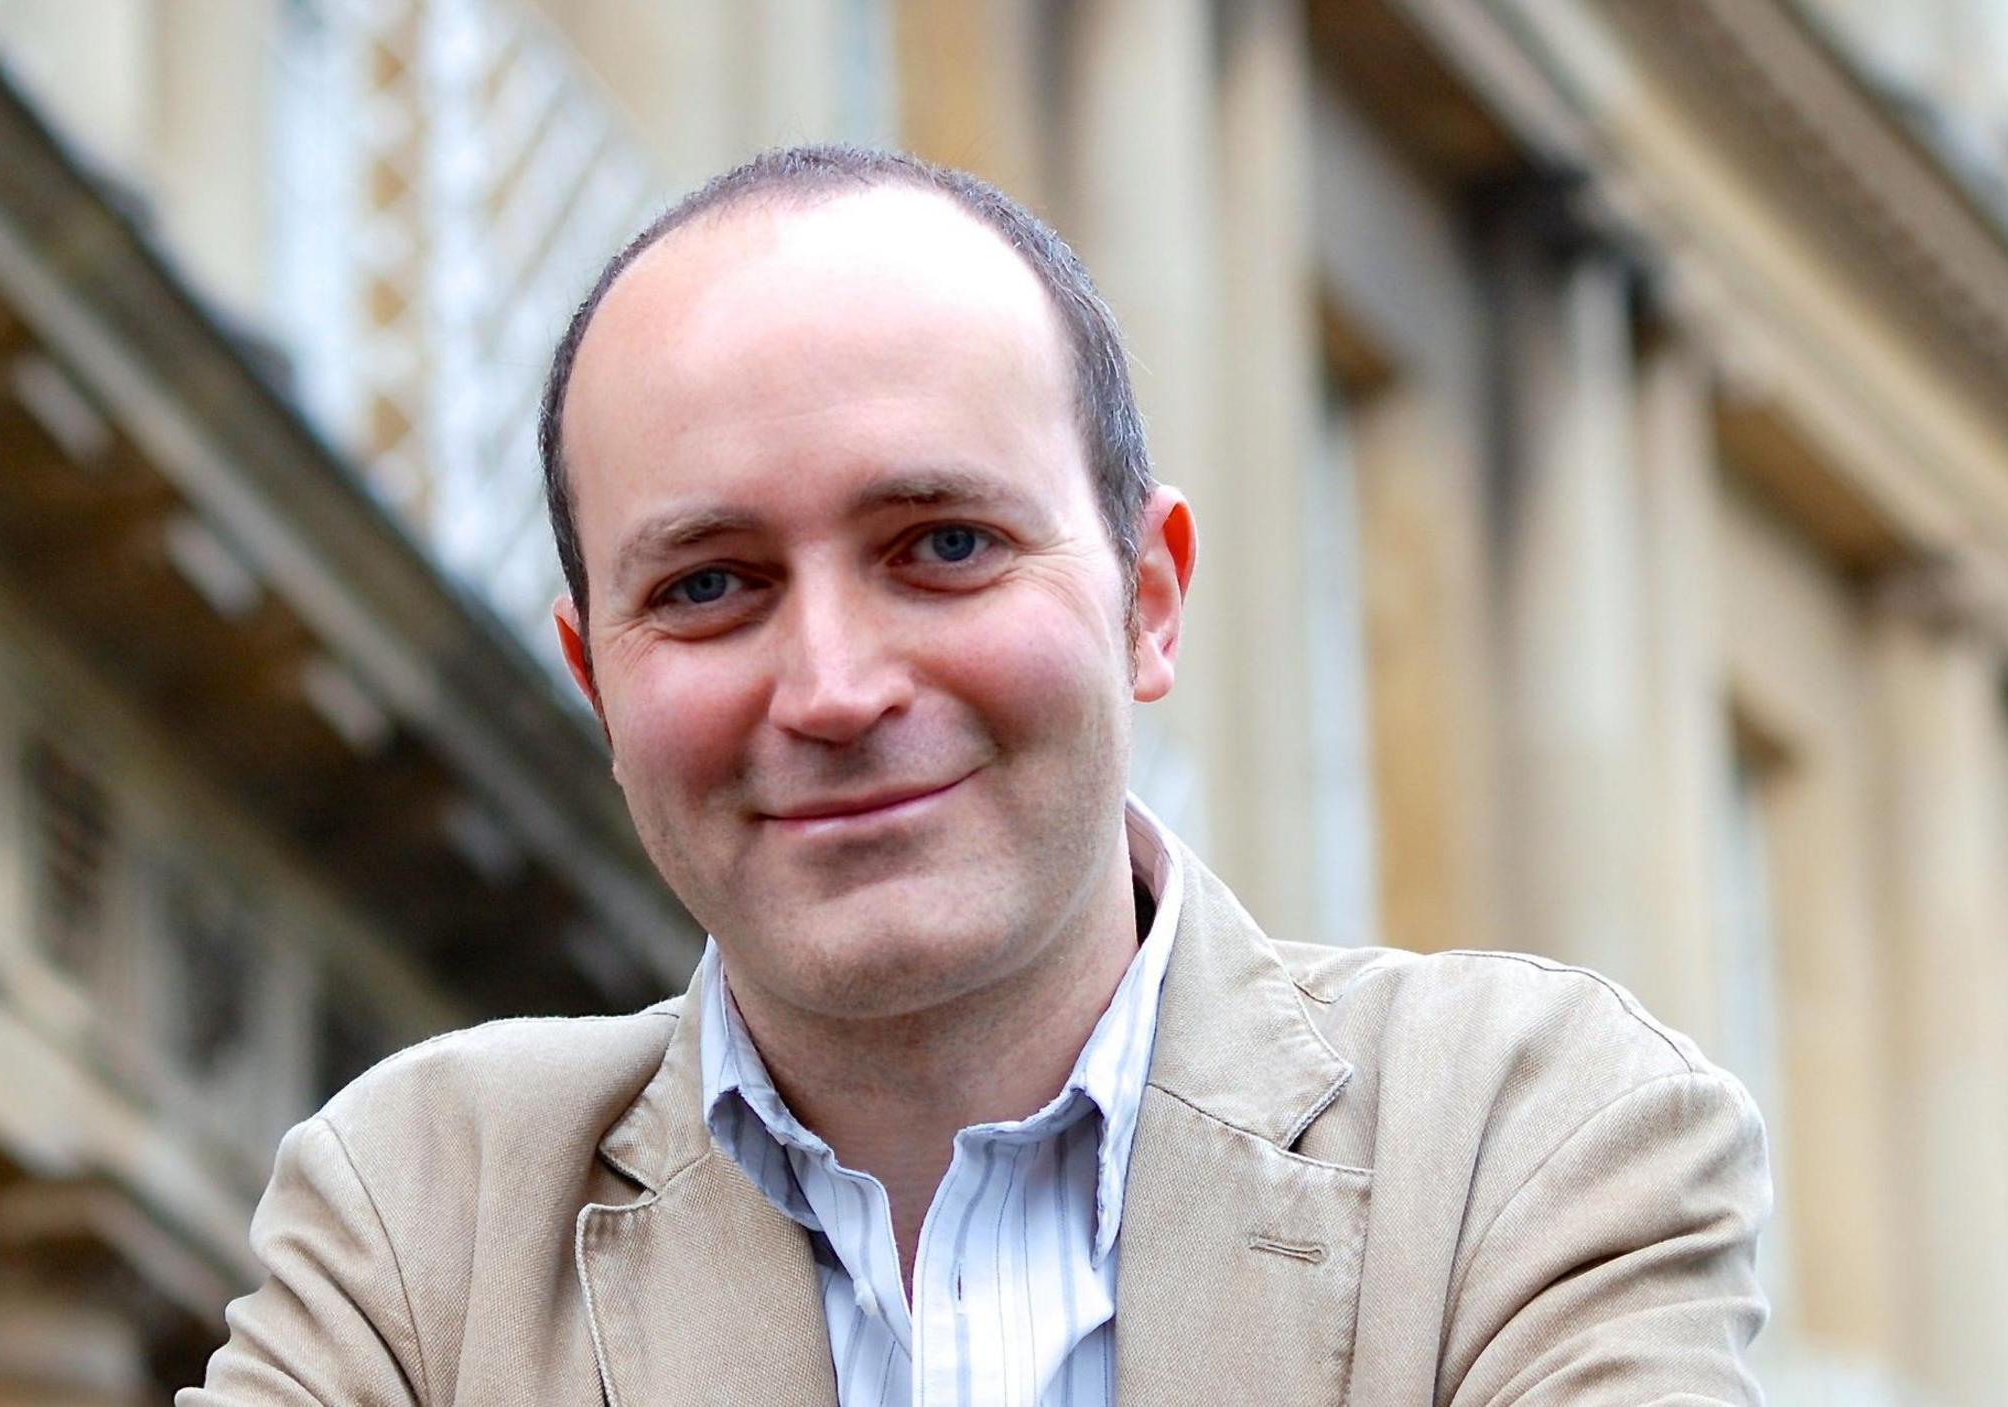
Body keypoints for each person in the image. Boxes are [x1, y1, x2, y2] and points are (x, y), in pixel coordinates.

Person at [185, 144, 1768, 1406]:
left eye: (943, 546)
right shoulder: (425, 1217)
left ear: (1148, 598)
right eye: (709, 587)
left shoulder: (1526, 1144)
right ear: (598, 681)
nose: (835, 688)